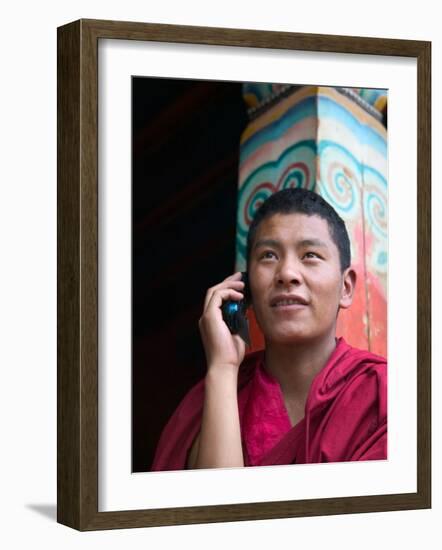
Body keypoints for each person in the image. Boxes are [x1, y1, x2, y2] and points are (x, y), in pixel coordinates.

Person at [151, 188, 387, 471]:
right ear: (245, 286)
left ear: (345, 287)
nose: (287, 273)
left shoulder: (383, 392)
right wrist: (224, 368)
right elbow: (215, 511)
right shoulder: (208, 401)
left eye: (310, 254)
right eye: (268, 256)